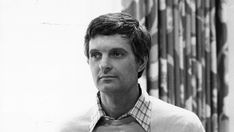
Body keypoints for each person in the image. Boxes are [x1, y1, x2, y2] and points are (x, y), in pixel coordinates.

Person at [61, 12, 205, 132]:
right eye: (96, 55)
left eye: (116, 54)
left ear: (141, 62)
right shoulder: (70, 128)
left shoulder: (183, 126)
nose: (103, 65)